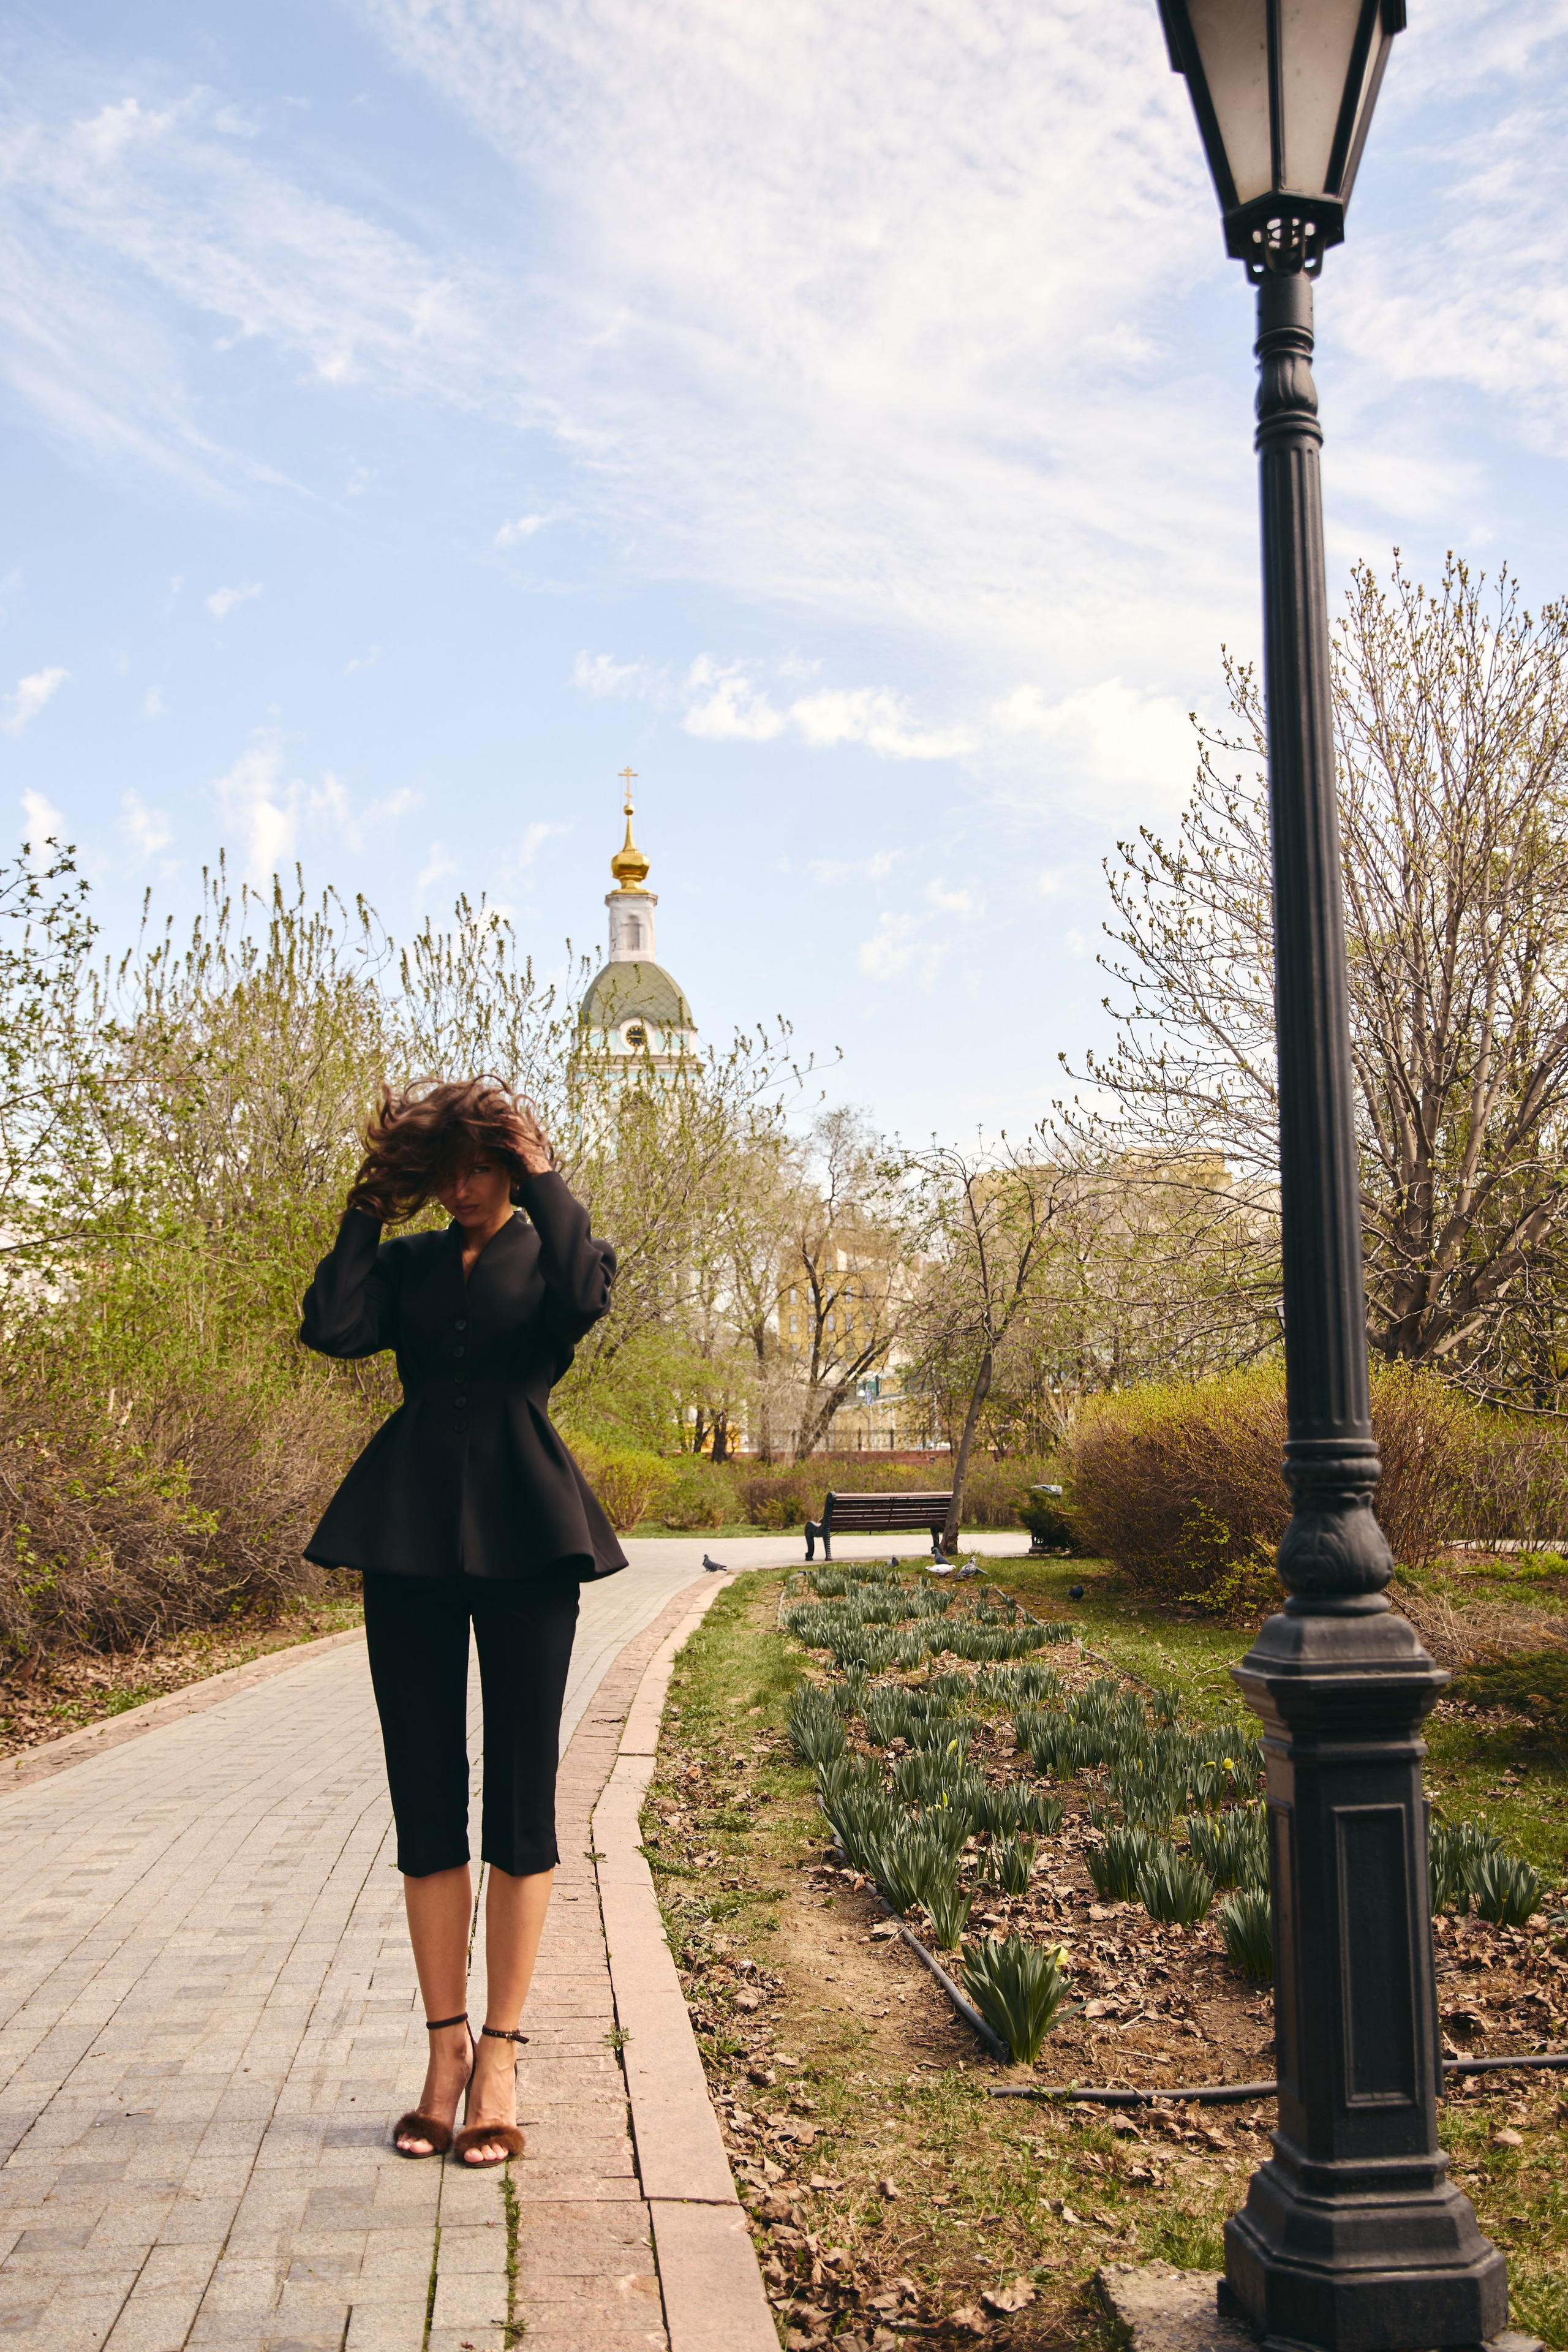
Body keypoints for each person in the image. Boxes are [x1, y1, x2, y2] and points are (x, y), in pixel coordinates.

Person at [299, 1078, 625, 2165]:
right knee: (427, 1793)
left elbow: (583, 1295)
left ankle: (502, 2057)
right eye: (453, 1169)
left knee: (522, 1796)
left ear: (511, 1166)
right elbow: (333, 1326)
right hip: (409, 1538)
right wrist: (366, 1207)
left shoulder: (552, 1252)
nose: (468, 1186)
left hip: (533, 1537)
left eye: (485, 1166)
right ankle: (441, 2055)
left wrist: (540, 1167)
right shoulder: (408, 1265)